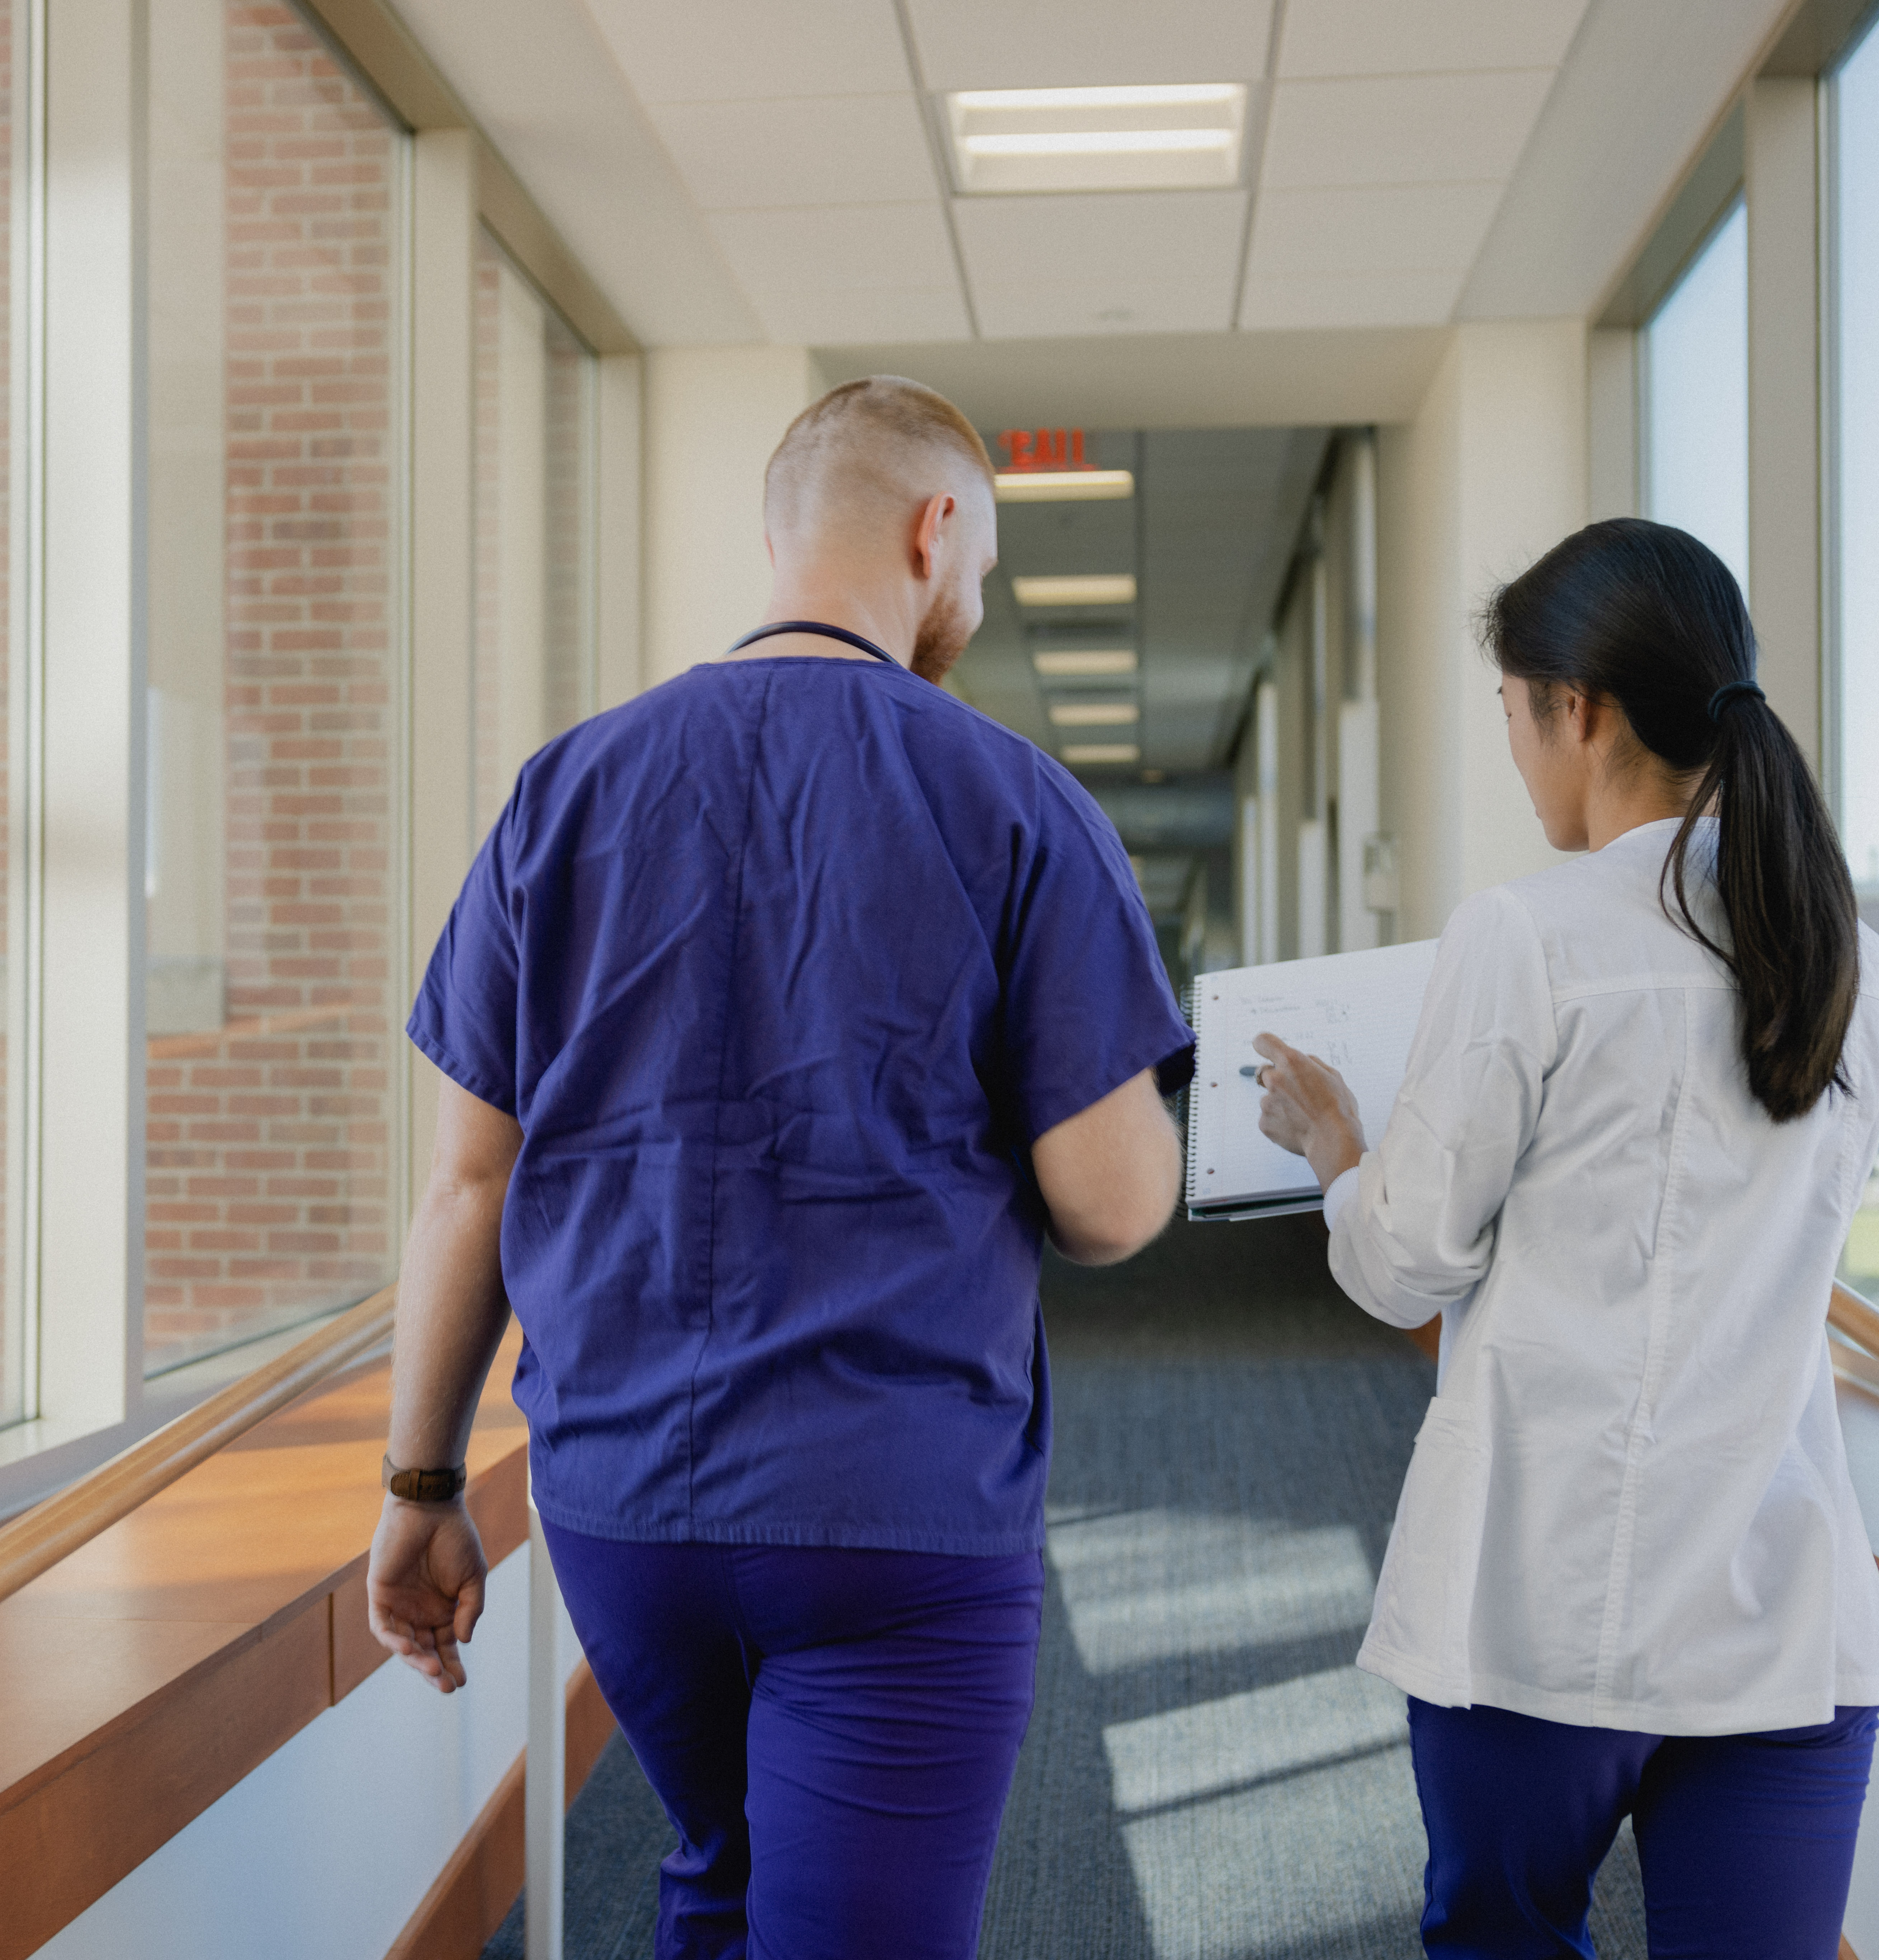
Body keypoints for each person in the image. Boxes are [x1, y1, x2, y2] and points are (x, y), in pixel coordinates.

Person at [365, 376, 1193, 1959]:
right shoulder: (1019, 803)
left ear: (771, 534)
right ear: (935, 529)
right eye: (984, 566)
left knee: (723, 1878)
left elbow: (468, 1185)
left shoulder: (565, 789)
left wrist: (418, 1485)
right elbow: (1103, 1203)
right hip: (891, 1513)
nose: (971, 602)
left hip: (622, 1500)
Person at [1252, 518, 1879, 1960]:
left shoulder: (1531, 934)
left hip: (1534, 1615)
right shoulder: (1857, 967)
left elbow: (1401, 1262)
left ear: (1577, 709)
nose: (1512, 748)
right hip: (1780, 1611)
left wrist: (1330, 1148)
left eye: (1509, 712)